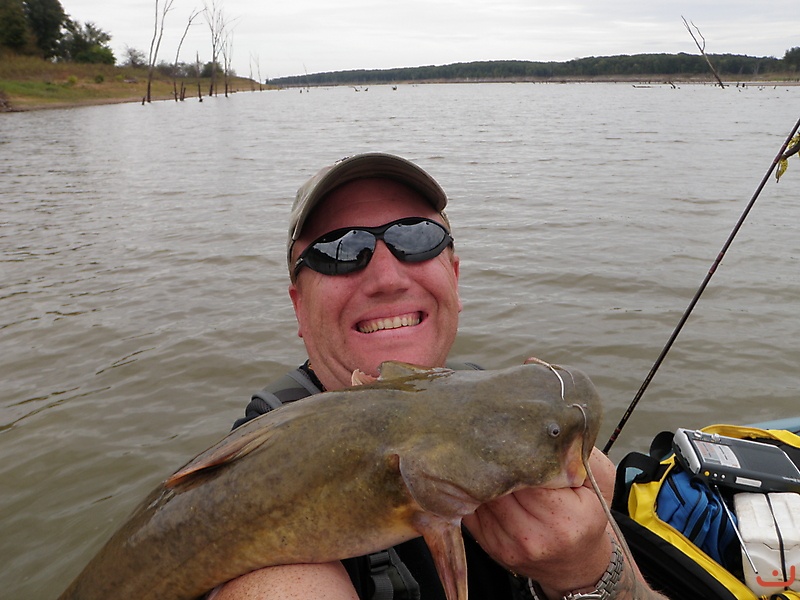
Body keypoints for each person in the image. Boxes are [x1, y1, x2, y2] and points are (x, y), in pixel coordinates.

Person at [214, 153, 667, 600]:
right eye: (341, 249)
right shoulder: (249, 489)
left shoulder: (517, 420)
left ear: (454, 276)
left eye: (416, 236)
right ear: (299, 307)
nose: (387, 278)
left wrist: (587, 574)